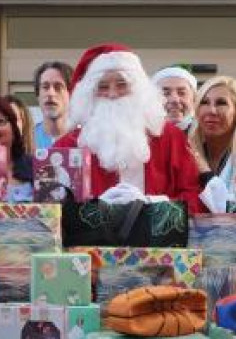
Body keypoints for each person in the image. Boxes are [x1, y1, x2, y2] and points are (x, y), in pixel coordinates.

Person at [54, 43, 201, 213]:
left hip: (154, 239)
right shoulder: (67, 146)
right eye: (102, 87)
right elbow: (51, 212)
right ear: (89, 94)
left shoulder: (170, 138)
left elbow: (194, 199)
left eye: (122, 84)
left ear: (138, 89)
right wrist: (93, 210)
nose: (113, 94)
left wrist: (151, 204)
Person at [189, 75, 236, 190]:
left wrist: (204, 171)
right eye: (204, 102)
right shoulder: (187, 154)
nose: (211, 110)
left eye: (221, 103)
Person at [33, 61, 73, 149]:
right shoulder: (27, 140)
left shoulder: (84, 139)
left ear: (71, 94)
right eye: (45, 87)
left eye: (58, 87)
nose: (50, 93)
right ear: (38, 95)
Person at [152, 66, 197, 132]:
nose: (175, 100)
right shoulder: (140, 136)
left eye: (181, 93)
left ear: (194, 99)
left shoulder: (206, 135)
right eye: (166, 93)